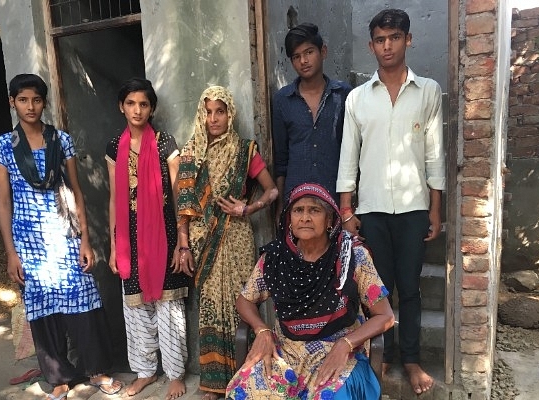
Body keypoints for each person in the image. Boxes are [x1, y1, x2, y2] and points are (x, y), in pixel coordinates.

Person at [0, 73, 122, 400]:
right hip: (28, 242)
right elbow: (3, 201)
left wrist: (86, 240)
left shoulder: (60, 140)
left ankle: (97, 371)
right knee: (42, 308)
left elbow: (76, 192)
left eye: (36, 99)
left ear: (44, 102)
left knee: (83, 301)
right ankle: (59, 378)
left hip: (64, 235)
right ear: (12, 102)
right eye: (23, 99)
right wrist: (10, 252)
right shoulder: (2, 146)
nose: (30, 106)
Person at [336, 8, 445, 395]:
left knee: (410, 288)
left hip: (414, 208)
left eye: (394, 38)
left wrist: (435, 208)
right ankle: (376, 357)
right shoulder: (357, 99)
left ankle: (411, 360)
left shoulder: (428, 91)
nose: (387, 46)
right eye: (380, 40)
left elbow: (435, 154)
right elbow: (348, 156)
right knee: (374, 290)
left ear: (408, 40)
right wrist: (346, 211)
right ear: (371, 46)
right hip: (372, 210)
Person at [225, 183, 395, 400]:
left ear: (329, 220)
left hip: (340, 351)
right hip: (286, 353)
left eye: (314, 210)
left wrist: (346, 344)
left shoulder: (352, 256)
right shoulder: (276, 258)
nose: (305, 217)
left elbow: (386, 316)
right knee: (245, 393)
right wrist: (262, 330)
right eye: (298, 210)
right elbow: (244, 300)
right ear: (290, 220)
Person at [177, 86, 278, 400]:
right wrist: (182, 243)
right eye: (208, 112)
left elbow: (272, 191)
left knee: (239, 307)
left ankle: (245, 377)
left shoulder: (245, 149)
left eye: (219, 111)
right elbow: (184, 205)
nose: (213, 118)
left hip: (236, 239)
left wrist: (247, 208)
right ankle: (213, 384)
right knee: (209, 309)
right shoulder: (192, 151)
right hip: (203, 242)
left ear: (229, 113)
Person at [105, 78, 189, 399]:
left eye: (143, 104)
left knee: (168, 306)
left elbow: (180, 194)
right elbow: (115, 198)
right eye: (131, 103)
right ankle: (144, 371)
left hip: (164, 235)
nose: (137, 110)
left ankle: (175, 373)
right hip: (129, 239)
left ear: (152, 108)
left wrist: (182, 240)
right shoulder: (114, 147)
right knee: (136, 308)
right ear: (121, 106)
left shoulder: (165, 142)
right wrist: (114, 246)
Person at [272, 22, 352, 219]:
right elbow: (281, 160)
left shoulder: (344, 95)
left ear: (323, 51)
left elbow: (353, 152)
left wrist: (349, 204)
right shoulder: (283, 100)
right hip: (297, 202)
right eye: (296, 57)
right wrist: (281, 206)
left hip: (335, 198)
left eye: (309, 52)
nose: (303, 61)